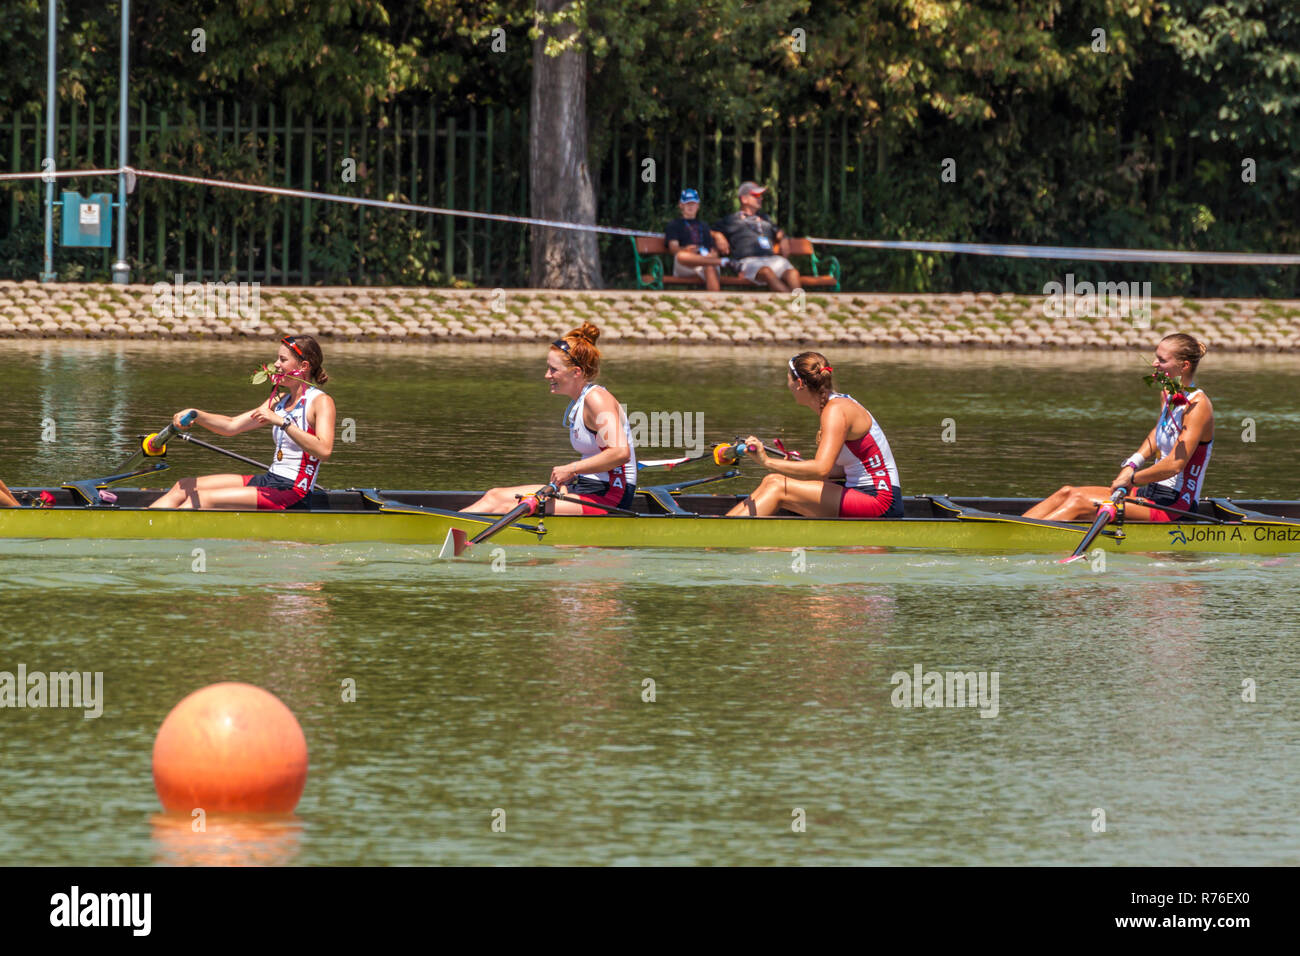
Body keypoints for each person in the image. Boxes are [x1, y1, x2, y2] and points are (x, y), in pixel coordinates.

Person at [1023, 333, 1214, 522]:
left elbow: (1174, 465)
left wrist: (1132, 479)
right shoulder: (1168, 393)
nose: (1154, 363)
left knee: (1079, 502)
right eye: (1156, 357)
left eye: (1162, 360)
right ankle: (1012, 529)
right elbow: (1159, 432)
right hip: (1152, 492)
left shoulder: (1198, 405)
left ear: (1184, 366)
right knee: (1067, 492)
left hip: (1176, 505)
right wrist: (1132, 464)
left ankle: (1026, 536)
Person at [463, 322, 638, 516]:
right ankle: (447, 525)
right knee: (494, 496)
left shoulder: (597, 399)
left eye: (553, 369)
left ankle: (448, 529)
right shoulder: (581, 401)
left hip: (611, 497)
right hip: (587, 487)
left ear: (576, 372)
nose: (547, 375)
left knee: (508, 507)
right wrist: (575, 472)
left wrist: (572, 469)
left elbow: (620, 452)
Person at [149, 335, 336, 510]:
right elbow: (231, 426)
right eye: (277, 359)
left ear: (303, 366)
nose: (276, 364)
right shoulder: (279, 400)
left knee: (204, 499)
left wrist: (282, 422)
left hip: (294, 492)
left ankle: (159, 529)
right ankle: (143, 524)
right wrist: (196, 414)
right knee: (184, 486)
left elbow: (324, 450)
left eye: (283, 360)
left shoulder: (321, 402)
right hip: (271, 480)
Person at [727, 352, 903, 518]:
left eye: (788, 380)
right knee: (771, 481)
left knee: (777, 485)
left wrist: (766, 461)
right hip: (865, 492)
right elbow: (838, 470)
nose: (788, 386)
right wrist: (791, 466)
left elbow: (821, 469)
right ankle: (720, 527)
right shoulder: (835, 405)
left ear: (800, 384)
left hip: (881, 501)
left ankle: (723, 533)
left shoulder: (836, 411)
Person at [711, 181, 802, 293]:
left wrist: (783, 238)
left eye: (761, 196)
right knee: (767, 272)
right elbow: (709, 231)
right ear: (744, 199)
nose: (761, 198)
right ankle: (791, 301)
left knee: (793, 273)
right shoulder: (732, 219)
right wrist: (717, 235)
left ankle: (799, 303)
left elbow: (779, 232)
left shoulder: (765, 218)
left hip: (771, 259)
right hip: (748, 261)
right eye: (756, 195)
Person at [665, 188, 726, 291]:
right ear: (681, 205)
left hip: (705, 261)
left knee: (709, 266)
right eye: (687, 203)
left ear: (698, 206)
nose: (690, 206)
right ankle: (721, 262)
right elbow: (673, 249)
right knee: (681, 256)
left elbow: (713, 250)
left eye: (693, 203)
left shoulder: (704, 226)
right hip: (686, 264)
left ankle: (715, 299)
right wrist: (686, 250)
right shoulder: (674, 225)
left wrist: (711, 256)